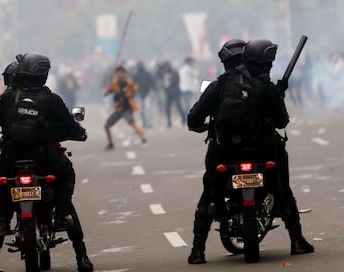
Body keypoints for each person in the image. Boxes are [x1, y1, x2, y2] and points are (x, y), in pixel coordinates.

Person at [187, 39, 314, 264]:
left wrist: (207, 127)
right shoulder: (265, 87)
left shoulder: (219, 84)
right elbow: (281, 121)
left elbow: (194, 118)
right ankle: (296, 240)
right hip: (262, 152)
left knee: (209, 194)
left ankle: (197, 251)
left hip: (225, 153)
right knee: (283, 189)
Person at [0, 53, 93, 272]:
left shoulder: (3, 100)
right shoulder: (51, 100)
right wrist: (80, 133)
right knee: (67, 176)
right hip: (45, 158)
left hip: (11, 158)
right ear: (43, 74)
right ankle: (80, 255)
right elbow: (72, 127)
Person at [104, 66, 146, 150]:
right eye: (118, 73)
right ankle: (110, 143)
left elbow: (134, 91)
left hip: (127, 107)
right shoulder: (114, 83)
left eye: (121, 73)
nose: (120, 75)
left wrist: (129, 95)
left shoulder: (129, 83)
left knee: (132, 123)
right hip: (118, 108)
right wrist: (108, 89)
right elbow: (106, 93)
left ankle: (143, 138)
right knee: (107, 126)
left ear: (124, 73)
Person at [162, 62, 185, 128]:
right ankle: (169, 122)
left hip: (176, 93)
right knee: (167, 108)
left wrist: (171, 78)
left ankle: (183, 119)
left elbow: (177, 81)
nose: (166, 68)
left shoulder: (174, 73)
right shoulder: (164, 73)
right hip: (168, 94)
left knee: (179, 106)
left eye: (166, 67)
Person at [132, 61, 156, 128]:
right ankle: (145, 122)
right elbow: (133, 85)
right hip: (139, 94)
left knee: (147, 108)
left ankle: (147, 122)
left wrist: (153, 90)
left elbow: (152, 83)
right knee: (142, 110)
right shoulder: (135, 75)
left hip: (146, 93)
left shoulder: (147, 74)